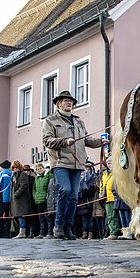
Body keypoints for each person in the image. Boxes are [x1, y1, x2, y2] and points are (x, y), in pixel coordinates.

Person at [42, 90, 107, 240]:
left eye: (71, 101)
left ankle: (68, 227)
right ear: (58, 104)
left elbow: (87, 140)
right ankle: (58, 225)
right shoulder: (51, 120)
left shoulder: (78, 121)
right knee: (65, 189)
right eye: (66, 101)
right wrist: (64, 141)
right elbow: (47, 140)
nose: (69, 103)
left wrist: (100, 142)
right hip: (60, 162)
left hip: (77, 164)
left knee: (73, 197)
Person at [11, 160, 34, 239]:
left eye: (16, 167)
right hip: (16, 200)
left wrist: (16, 194)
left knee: (22, 216)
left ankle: (23, 232)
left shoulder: (23, 174)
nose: (14, 169)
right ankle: (22, 231)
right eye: (13, 168)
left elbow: (23, 186)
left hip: (22, 199)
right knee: (19, 216)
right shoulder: (13, 176)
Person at [33, 163, 53, 238]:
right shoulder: (36, 178)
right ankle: (42, 233)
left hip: (46, 200)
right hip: (38, 200)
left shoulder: (48, 176)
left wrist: (48, 196)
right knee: (41, 218)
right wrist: (35, 196)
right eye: (37, 169)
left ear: (43, 168)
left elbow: (50, 187)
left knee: (48, 217)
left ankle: (50, 232)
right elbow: (34, 189)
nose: (39, 170)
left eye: (40, 168)